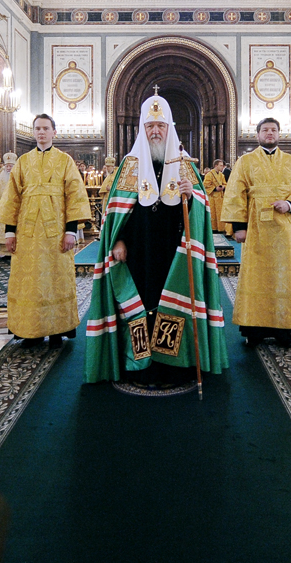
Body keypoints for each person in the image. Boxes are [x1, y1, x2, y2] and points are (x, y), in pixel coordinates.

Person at [83, 94, 228, 384]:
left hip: (175, 252)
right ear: (142, 128)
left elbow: (202, 209)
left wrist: (192, 195)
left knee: (173, 303)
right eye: (150, 126)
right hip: (138, 250)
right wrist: (118, 242)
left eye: (160, 125)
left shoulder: (185, 165)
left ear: (169, 128)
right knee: (142, 300)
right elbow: (117, 212)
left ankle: (172, 364)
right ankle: (141, 364)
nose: (155, 131)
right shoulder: (130, 165)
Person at [0, 114, 90, 348]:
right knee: (28, 283)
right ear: (33, 132)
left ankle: (57, 330)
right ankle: (29, 331)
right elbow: (12, 199)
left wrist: (70, 231)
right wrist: (9, 233)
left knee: (55, 280)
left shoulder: (65, 160)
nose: (41, 132)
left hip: (55, 233)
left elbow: (75, 197)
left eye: (46, 128)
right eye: (37, 128)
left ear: (54, 132)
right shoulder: (23, 162)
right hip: (26, 234)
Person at [221, 117, 291, 346]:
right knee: (257, 277)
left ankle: (284, 329)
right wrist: (239, 227)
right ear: (258, 135)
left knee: (284, 276)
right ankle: (255, 330)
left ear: (279, 133)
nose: (270, 133)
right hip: (256, 228)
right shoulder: (245, 161)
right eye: (265, 130)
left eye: (274, 129)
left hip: (285, 229)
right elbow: (235, 193)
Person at [202, 158, 227, 235]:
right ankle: (213, 228)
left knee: (220, 213)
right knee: (213, 213)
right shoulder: (209, 175)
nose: (222, 167)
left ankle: (220, 228)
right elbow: (205, 185)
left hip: (220, 197)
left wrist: (223, 187)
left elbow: (225, 184)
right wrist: (215, 188)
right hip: (212, 197)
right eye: (220, 165)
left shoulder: (221, 175)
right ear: (216, 165)